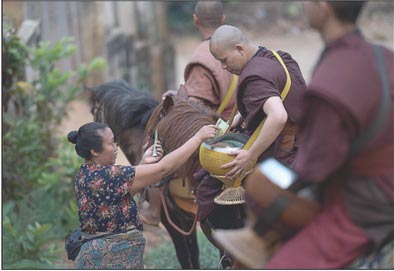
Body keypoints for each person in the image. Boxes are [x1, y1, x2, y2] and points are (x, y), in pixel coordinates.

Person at [214, 1, 394, 269]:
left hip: (365, 206)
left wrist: (258, 182)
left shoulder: (330, 82)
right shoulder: (385, 57)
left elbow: (313, 171)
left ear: (323, 7)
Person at [195, 23, 307, 252]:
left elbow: (277, 116)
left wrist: (250, 155)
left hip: (281, 155)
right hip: (306, 142)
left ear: (239, 49)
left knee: (207, 189)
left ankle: (237, 255)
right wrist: (245, 117)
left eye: (225, 60)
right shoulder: (277, 57)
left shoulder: (254, 76)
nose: (224, 68)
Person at [67, 121, 217, 269]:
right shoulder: (109, 175)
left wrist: (143, 163)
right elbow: (163, 169)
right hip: (112, 260)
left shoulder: (86, 172)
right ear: (94, 151)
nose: (115, 147)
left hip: (101, 257)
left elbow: (120, 196)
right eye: (111, 143)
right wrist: (198, 138)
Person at [140, 1, 236, 226]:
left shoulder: (202, 58)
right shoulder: (235, 45)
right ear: (222, 20)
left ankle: (154, 211)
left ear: (195, 20)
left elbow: (195, 111)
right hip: (238, 124)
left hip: (216, 134)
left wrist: (177, 101)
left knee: (151, 145)